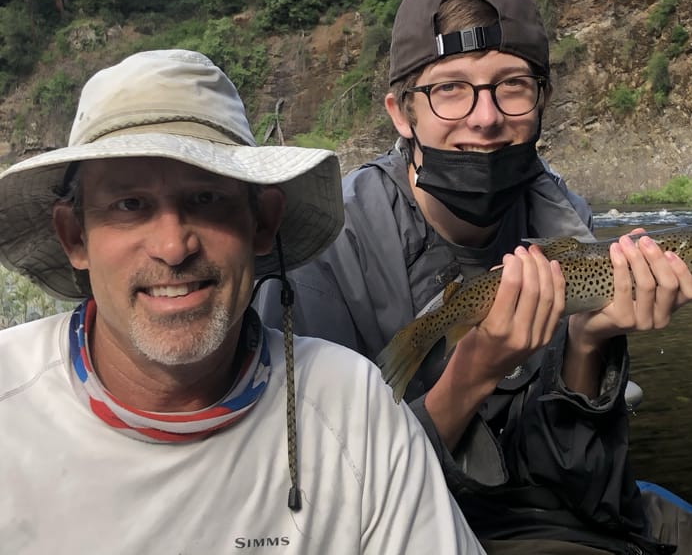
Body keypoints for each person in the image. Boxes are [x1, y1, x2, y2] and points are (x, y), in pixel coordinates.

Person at [257, 0, 692, 555]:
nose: (485, 117)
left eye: (511, 86)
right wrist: (472, 373)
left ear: (541, 101)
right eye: (450, 89)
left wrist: (590, 345)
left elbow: (584, 482)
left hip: (575, 515)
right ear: (401, 112)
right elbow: (311, 507)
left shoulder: (564, 219)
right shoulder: (322, 245)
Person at [0, 49, 486, 555]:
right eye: (130, 205)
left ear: (262, 222)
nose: (173, 247)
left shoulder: (354, 407)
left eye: (206, 199)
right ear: (74, 236)